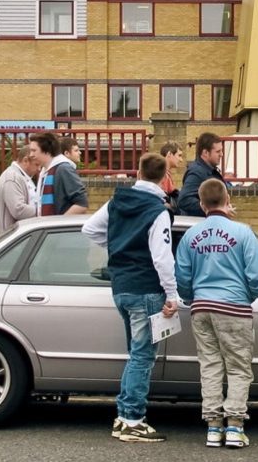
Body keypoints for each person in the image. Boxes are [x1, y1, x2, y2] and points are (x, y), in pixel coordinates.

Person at [82, 153, 178, 443]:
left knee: (135, 354)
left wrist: (118, 248)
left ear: (137, 171)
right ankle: (132, 419)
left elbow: (89, 229)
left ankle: (125, 416)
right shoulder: (158, 210)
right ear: (163, 178)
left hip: (121, 287)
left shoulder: (117, 201)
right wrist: (172, 294)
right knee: (142, 356)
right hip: (146, 289)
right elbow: (162, 258)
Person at [175, 179, 258, 449]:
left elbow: (182, 275)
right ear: (227, 200)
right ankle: (235, 427)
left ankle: (213, 427)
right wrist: (247, 296)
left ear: (202, 204)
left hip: (202, 308)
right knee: (238, 368)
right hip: (234, 306)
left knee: (210, 366)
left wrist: (193, 298)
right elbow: (257, 274)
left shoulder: (192, 236)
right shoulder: (242, 232)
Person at [30, 131, 88, 215]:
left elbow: (81, 204)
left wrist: (58, 223)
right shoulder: (45, 172)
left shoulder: (63, 169)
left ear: (46, 150)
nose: (31, 155)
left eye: (34, 150)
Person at [178, 132, 229, 217]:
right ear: (205, 153)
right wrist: (215, 210)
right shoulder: (197, 172)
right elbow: (184, 200)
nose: (221, 154)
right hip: (201, 224)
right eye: (218, 151)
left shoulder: (207, 170)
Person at [0, 145, 40, 233]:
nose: (39, 169)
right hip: (12, 238)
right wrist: (42, 211)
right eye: (36, 164)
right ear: (25, 160)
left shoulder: (21, 177)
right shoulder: (12, 178)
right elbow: (18, 210)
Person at [159, 141, 184, 210]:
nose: (181, 160)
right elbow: (162, 201)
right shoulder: (163, 175)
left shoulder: (164, 173)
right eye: (179, 155)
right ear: (169, 154)